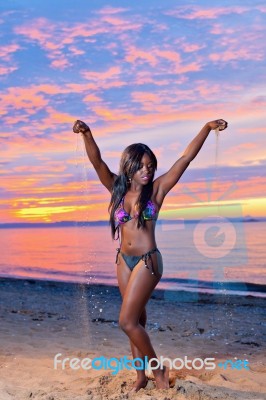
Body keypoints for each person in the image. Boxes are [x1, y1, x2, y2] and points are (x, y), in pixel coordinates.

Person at [73, 118, 228, 392]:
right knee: (137, 322)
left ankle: (158, 370)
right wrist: (87, 133)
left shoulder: (157, 189)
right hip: (123, 261)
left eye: (150, 165)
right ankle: (140, 377)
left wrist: (205, 127)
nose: (147, 170)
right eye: (141, 166)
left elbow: (185, 158)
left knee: (126, 321)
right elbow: (98, 163)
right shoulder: (116, 189)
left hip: (148, 261)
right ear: (129, 168)